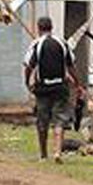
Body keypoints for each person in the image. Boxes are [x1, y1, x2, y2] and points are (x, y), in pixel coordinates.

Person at [24, 16, 75, 161]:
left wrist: (27, 81)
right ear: (51, 27)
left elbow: (28, 66)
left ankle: (43, 154)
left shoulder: (36, 44)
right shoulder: (62, 43)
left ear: (38, 28)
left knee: (42, 121)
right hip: (60, 87)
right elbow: (71, 65)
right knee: (59, 120)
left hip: (43, 89)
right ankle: (57, 152)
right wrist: (77, 83)